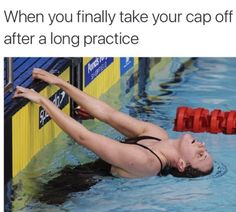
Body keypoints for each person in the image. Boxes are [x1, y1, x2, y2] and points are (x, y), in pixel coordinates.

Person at [13, 69, 214, 203]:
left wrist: (42, 101)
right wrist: (59, 83)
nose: (203, 147)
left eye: (200, 156)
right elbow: (108, 114)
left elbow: (83, 138)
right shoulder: (157, 135)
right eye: (205, 151)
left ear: (180, 164)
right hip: (74, 172)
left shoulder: (146, 162)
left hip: (69, 189)